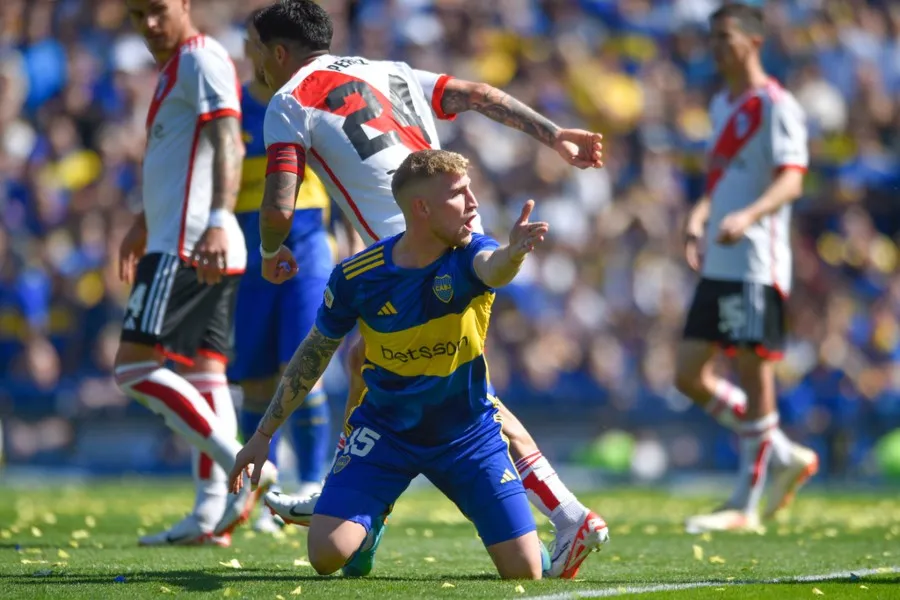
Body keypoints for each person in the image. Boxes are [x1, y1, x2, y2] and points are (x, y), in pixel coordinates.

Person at [245, 0, 607, 578]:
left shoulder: (288, 101)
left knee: (446, 384)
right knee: (381, 366)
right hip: (463, 235)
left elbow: (280, 201)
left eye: (255, 47)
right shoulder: (388, 70)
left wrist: (268, 251)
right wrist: (552, 132)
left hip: (409, 250)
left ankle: (565, 512)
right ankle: (353, 500)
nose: (252, 59)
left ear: (279, 52)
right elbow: (478, 94)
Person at [231, 149, 551, 580]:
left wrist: (513, 253)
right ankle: (371, 522)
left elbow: (493, 268)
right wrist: (263, 435)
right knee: (325, 557)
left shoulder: (472, 252)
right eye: (459, 193)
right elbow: (314, 353)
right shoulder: (357, 277)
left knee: (526, 571)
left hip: (466, 434)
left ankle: (534, 543)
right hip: (385, 433)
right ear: (421, 208)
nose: (474, 202)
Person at [115, 0, 277, 546]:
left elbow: (226, 140)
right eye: (137, 15)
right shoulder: (177, 67)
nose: (149, 25)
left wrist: (212, 219)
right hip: (190, 238)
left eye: (158, 10)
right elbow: (180, 160)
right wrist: (143, 219)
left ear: (185, 5)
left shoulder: (201, 57)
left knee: (133, 371)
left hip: (189, 245)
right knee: (206, 376)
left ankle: (244, 466)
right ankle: (210, 515)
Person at [675, 2, 818, 533]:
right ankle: (777, 449)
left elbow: (792, 179)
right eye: (712, 38)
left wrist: (751, 215)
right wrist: (699, 215)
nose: (716, 48)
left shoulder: (777, 106)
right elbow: (719, 178)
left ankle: (746, 504)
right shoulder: (721, 105)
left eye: (725, 37)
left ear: (754, 42)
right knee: (688, 374)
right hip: (718, 261)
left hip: (756, 264)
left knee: (755, 379)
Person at [228, 41, 336, 534]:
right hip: (246, 242)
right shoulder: (232, 101)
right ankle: (254, 496)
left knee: (300, 363)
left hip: (307, 236)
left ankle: (314, 485)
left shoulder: (303, 98)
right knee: (252, 378)